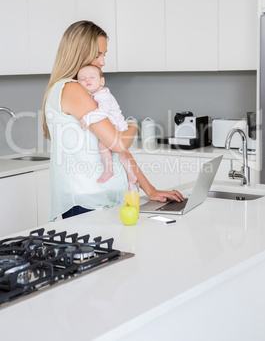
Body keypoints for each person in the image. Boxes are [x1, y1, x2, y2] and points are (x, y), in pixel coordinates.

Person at [42, 20, 183, 221]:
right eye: (98, 54)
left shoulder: (87, 91)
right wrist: (133, 127)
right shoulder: (71, 89)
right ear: (79, 53)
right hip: (86, 204)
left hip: (102, 200)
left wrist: (150, 191)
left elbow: (119, 150)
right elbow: (117, 144)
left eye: (104, 54)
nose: (103, 62)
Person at [78, 64, 137, 184]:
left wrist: (88, 118)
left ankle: (108, 170)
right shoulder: (98, 94)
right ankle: (131, 176)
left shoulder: (102, 95)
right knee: (122, 156)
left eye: (91, 77)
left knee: (102, 144)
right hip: (118, 123)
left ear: (101, 81)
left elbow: (103, 112)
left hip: (117, 124)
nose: (87, 80)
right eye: (82, 79)